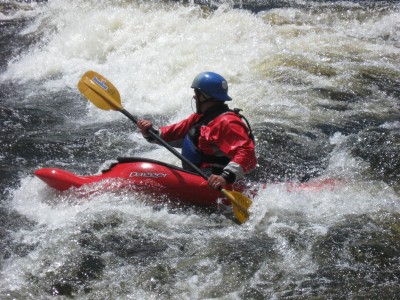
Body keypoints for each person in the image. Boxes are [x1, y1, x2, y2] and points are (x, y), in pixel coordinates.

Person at [137, 72, 257, 190]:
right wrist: (150, 131)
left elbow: (247, 154)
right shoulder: (200, 118)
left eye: (197, 93)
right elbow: (172, 134)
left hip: (217, 182)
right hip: (198, 176)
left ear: (207, 96)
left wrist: (225, 177)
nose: (194, 97)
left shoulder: (228, 122)